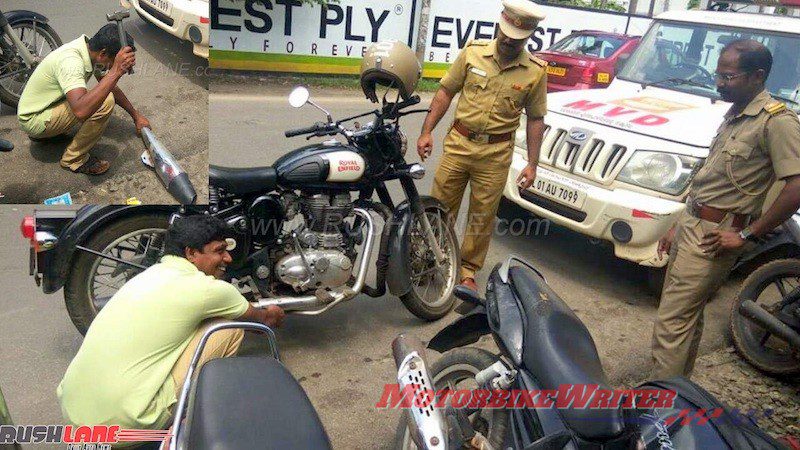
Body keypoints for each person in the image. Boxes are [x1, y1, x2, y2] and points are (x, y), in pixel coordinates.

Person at [57, 215, 285, 442]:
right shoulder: (208, 290)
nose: (227, 257)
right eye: (219, 250)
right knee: (228, 329)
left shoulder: (148, 275)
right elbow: (262, 322)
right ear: (192, 254)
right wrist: (275, 311)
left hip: (75, 419)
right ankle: (187, 427)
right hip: (125, 425)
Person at [652, 39, 800, 379]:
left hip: (715, 238)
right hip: (694, 226)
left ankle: (658, 408)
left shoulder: (776, 121)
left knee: (672, 323)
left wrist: (748, 233)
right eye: (719, 75)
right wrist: (679, 224)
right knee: (685, 319)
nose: (719, 83)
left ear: (757, 76)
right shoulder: (736, 113)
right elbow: (710, 181)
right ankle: (679, 397)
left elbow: (796, 186)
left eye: (728, 77)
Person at [416, 0, 547, 292]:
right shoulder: (473, 53)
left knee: (482, 215)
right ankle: (430, 258)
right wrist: (427, 132)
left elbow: (536, 118)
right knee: (439, 207)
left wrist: (533, 164)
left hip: (496, 154)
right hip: (459, 144)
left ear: (528, 36)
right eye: (506, 35)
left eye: (517, 39)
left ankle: (467, 269)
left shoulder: (535, 72)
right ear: (500, 24)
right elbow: (445, 92)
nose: (509, 42)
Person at [17, 24, 150, 175]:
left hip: (43, 107)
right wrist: (116, 72)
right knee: (104, 101)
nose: (111, 67)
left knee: (99, 92)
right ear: (103, 53)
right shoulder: (71, 61)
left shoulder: (90, 51)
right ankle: (73, 159)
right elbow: (81, 111)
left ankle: (50, 134)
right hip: (33, 119)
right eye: (113, 62)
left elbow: (109, 85)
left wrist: (135, 115)